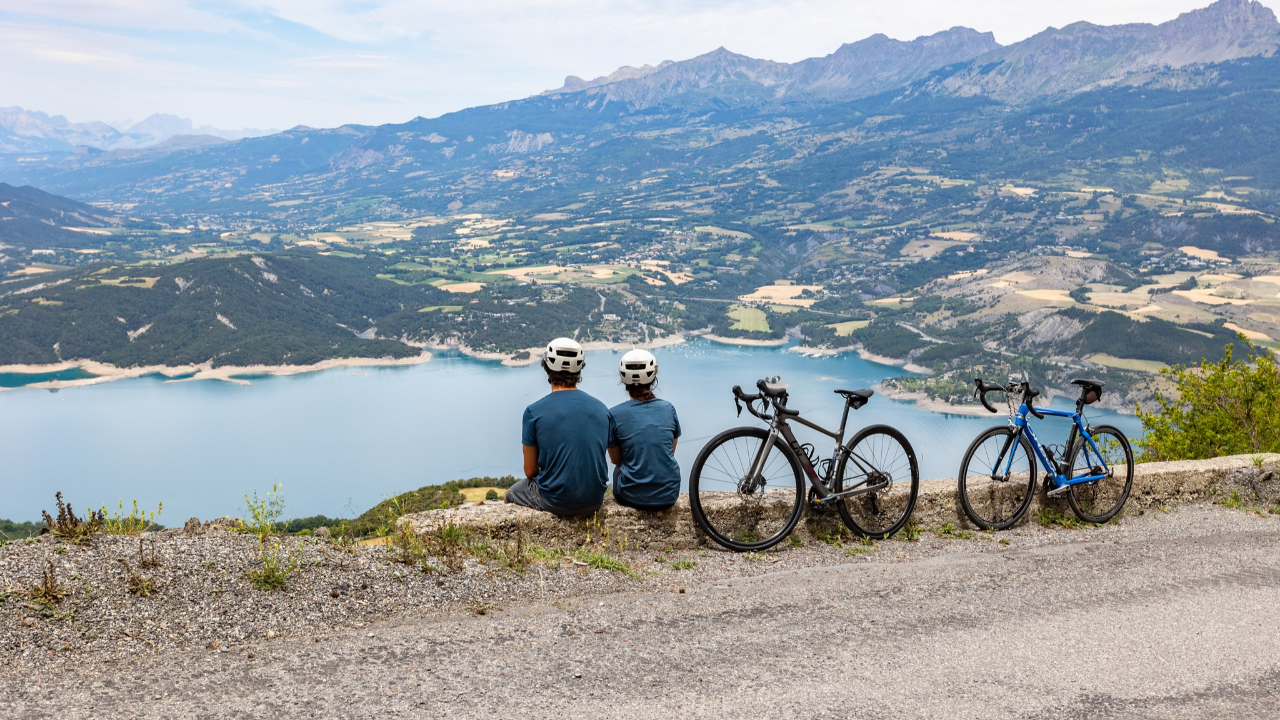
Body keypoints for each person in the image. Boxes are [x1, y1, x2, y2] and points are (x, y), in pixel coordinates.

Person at [505, 337, 610, 517]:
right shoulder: (602, 409)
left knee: (510, 495)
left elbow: (530, 471)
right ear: (580, 367)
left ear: (546, 367)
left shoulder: (533, 412)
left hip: (555, 501)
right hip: (594, 501)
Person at [607, 349, 682, 512]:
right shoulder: (668, 409)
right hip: (669, 495)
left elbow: (615, 460)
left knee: (618, 470)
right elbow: (670, 450)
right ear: (653, 377)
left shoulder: (613, 414)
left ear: (622, 378)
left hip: (631, 497)